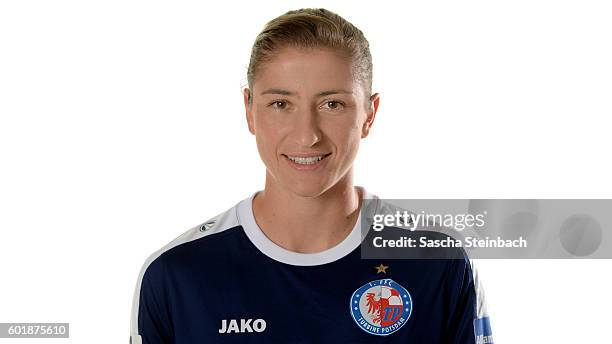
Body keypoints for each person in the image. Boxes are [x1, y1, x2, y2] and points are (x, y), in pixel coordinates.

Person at [130, 8, 493, 343]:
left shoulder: (439, 262)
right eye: (280, 104)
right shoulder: (177, 275)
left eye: (332, 104)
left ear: (369, 114)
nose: (307, 135)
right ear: (249, 110)